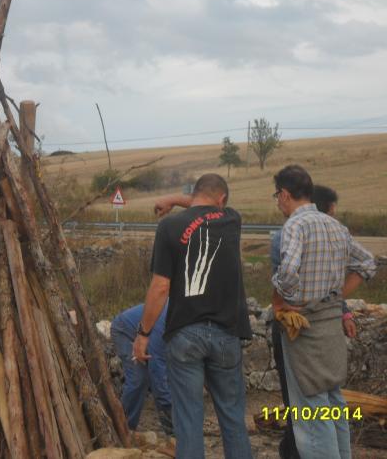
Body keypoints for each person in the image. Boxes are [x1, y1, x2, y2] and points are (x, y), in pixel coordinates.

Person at [133, 173, 253, 459]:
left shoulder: (169, 227)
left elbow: (160, 287)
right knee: (233, 418)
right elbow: (205, 207)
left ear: (196, 193)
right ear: (222, 200)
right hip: (226, 334)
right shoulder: (232, 219)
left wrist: (143, 334)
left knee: (188, 422)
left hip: (185, 334)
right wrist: (176, 199)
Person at [271, 165, 376, 459]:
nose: (278, 202)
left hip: (305, 329)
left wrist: (279, 300)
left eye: (277, 195)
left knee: (312, 411)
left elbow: (288, 273)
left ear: (285, 194)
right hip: (330, 326)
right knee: (333, 401)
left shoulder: (295, 226)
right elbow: (367, 262)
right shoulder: (335, 225)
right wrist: (336, 296)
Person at [110, 303, 173, 434]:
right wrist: (167, 406)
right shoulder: (163, 323)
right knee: (139, 378)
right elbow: (157, 366)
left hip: (147, 334)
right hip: (125, 331)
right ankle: (124, 428)